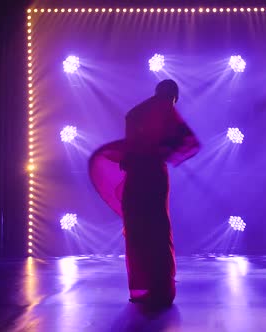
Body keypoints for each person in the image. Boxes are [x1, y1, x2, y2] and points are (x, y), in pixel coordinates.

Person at [89, 79, 200, 307]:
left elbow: (134, 142)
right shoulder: (164, 106)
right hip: (152, 176)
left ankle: (144, 287)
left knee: (138, 230)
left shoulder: (136, 112)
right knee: (157, 229)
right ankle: (161, 289)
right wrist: (163, 151)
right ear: (172, 95)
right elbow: (188, 142)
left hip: (136, 176)